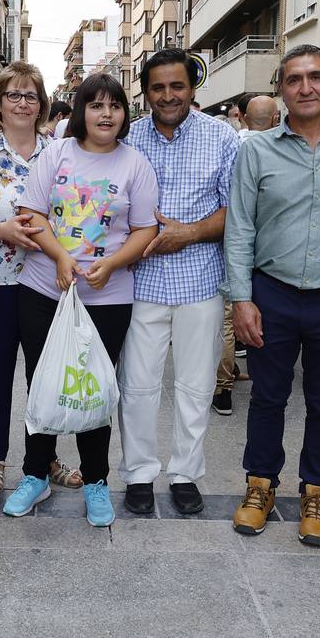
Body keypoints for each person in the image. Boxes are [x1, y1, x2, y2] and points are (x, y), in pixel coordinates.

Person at [224, 44, 320, 544]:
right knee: (267, 396)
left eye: (314, 77)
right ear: (281, 89)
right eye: (294, 79)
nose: (305, 87)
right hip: (272, 293)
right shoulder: (256, 150)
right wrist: (242, 299)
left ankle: (317, 490)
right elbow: (240, 227)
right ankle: (260, 484)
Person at [3, 72, 158, 527]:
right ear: (81, 111)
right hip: (43, 291)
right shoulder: (57, 153)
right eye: (96, 105)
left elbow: (147, 228)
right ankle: (36, 474)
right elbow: (30, 214)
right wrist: (59, 257)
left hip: (107, 297)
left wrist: (111, 265)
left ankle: (95, 481)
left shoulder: (135, 164)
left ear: (124, 114)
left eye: (114, 106)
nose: (105, 114)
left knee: (94, 388)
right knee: (42, 383)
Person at [118, 48, 239, 516]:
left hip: (200, 282)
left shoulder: (223, 138)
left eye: (177, 86)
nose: (168, 95)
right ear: (145, 92)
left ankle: (186, 473)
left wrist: (187, 233)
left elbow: (237, 211)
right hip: (140, 281)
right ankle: (140, 474)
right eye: (158, 87)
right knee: (138, 385)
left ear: (193, 88)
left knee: (195, 385)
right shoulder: (127, 140)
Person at [0, 61, 82, 495]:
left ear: (41, 105)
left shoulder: (60, 152)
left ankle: (45, 458)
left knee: (44, 376)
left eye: (30, 95)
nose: (21, 102)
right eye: (12, 95)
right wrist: (2, 231)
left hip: (45, 284)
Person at [213, 95, 278, 417]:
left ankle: (223, 386)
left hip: (231, 241)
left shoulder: (231, 144)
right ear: (276, 118)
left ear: (243, 119)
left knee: (229, 316)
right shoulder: (278, 150)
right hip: (267, 248)